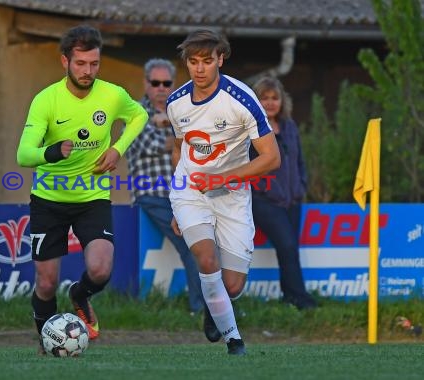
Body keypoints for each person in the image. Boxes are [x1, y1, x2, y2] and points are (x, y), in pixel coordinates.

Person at [16, 25, 148, 354]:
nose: (88, 71)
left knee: (100, 269)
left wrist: (118, 149)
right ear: (65, 62)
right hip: (49, 200)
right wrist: (52, 151)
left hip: (92, 197)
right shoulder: (46, 100)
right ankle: (49, 345)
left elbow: (139, 115)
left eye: (94, 64)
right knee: (45, 283)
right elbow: (23, 154)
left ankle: (80, 294)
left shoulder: (112, 95)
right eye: (80, 64)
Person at [167, 30, 281, 355]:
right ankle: (235, 342)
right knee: (206, 258)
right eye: (192, 62)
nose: (199, 69)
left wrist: (223, 179)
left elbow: (272, 157)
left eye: (206, 61)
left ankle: (213, 303)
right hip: (190, 191)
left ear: (220, 59)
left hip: (232, 197)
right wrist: (177, 205)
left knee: (232, 285)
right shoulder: (177, 103)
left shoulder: (241, 99)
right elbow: (179, 152)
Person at [125, 58, 204, 314]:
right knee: (192, 245)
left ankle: (215, 307)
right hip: (153, 194)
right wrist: (186, 133)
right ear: (146, 84)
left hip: (185, 193)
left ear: (173, 85)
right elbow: (155, 145)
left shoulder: (181, 111)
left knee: (207, 244)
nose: (161, 88)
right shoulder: (135, 113)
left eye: (166, 83)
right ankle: (202, 310)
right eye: (155, 82)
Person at [250, 76, 317, 310]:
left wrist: (301, 186)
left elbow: (300, 160)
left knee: (289, 248)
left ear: (282, 101)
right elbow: (248, 165)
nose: (270, 103)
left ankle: (290, 296)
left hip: (292, 200)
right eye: (264, 98)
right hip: (265, 201)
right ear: (256, 101)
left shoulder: (289, 126)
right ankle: (300, 299)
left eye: (274, 98)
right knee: (287, 245)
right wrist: (264, 189)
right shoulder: (252, 129)